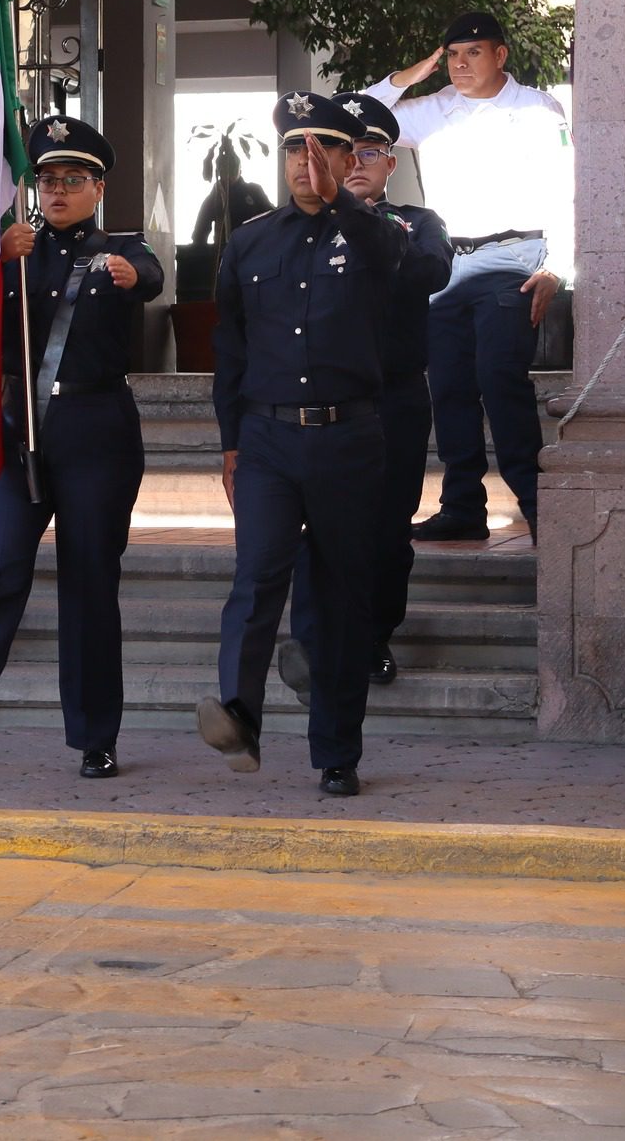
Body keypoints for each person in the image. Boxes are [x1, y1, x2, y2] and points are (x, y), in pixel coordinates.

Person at [0, 115, 163, 780]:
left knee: (88, 581)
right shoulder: (10, 250)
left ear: (97, 187)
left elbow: (149, 274)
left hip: (95, 431)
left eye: (72, 180)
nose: (58, 192)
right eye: (48, 180)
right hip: (17, 424)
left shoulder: (120, 247)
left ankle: (94, 735)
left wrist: (125, 273)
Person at [198, 93, 407, 797]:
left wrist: (343, 203)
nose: (305, 161)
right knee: (256, 576)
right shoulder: (252, 240)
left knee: (343, 595)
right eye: (293, 146)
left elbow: (400, 260)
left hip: (349, 436)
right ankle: (237, 711)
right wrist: (230, 441)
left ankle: (337, 751)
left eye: (321, 147)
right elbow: (230, 349)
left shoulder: (378, 234)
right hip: (267, 437)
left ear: (351, 159)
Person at [365, 11, 569, 543]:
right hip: (447, 262)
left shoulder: (536, 108)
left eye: (472, 52)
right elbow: (352, 115)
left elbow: (571, 187)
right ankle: (462, 506)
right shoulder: (434, 109)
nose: (460, 63)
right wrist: (405, 78)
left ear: (500, 55)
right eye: (452, 54)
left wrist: (560, 267)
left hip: (514, 256)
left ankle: (535, 502)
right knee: (449, 387)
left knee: (500, 381)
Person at [280, 98, 454, 698]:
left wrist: (353, 215)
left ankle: (375, 636)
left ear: (388, 164)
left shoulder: (416, 222)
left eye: (368, 153)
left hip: (393, 399)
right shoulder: (298, 225)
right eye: (336, 152)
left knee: (386, 528)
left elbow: (427, 271)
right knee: (315, 526)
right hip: (321, 399)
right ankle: (312, 644)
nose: (353, 164)